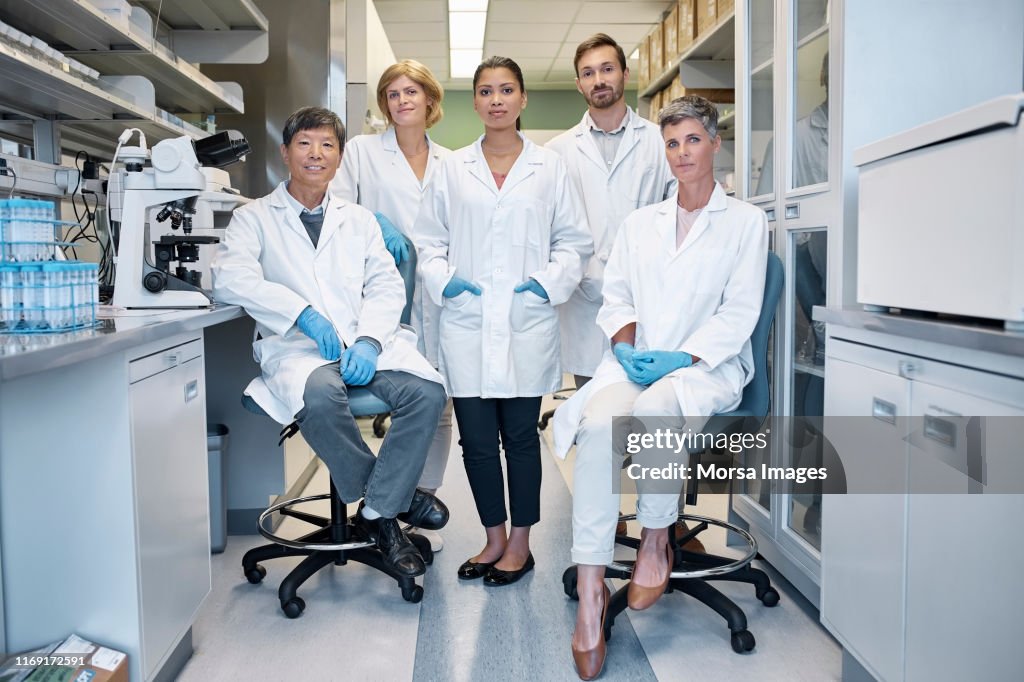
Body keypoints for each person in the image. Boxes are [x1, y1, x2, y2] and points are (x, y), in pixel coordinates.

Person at [552, 96, 769, 679]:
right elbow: (617, 296)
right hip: (639, 363)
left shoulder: (747, 222)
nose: (681, 154)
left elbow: (740, 312)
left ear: (714, 143)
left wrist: (681, 356)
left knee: (654, 410)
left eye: (692, 140)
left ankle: (654, 538)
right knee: (599, 426)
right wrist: (626, 347)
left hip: (705, 367)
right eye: (671, 143)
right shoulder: (639, 224)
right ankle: (593, 591)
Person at [211, 106, 450, 578]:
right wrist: (301, 314)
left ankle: (376, 511)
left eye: (327, 145)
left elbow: (385, 285)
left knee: (428, 394)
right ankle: (390, 506)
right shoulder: (253, 218)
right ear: (285, 153)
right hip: (298, 349)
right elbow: (228, 278)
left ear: (340, 157)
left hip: (366, 342)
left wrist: (368, 341)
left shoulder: (358, 221)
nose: (315, 154)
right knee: (320, 394)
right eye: (304, 144)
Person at [412, 57, 592, 586]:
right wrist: (447, 282)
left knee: (519, 437)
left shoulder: (549, 167)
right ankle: (492, 538)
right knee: (474, 439)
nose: (496, 100)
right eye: (486, 91)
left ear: (522, 99)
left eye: (506, 89)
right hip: (467, 320)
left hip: (524, 320)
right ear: (474, 101)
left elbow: (574, 241)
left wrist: (544, 285)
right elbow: (428, 241)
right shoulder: (451, 168)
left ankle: (521, 542)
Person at [331, 60, 453, 551]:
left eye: (411, 92)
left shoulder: (453, 161)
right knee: (400, 398)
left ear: (429, 99)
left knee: (439, 399)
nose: (402, 101)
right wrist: (372, 222)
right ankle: (386, 505)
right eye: (392, 94)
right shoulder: (361, 152)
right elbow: (335, 208)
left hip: (437, 295)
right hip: (377, 295)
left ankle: (420, 505)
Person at [546, 33, 676, 387]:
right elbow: (551, 230)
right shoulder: (557, 152)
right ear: (578, 84)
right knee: (594, 409)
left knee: (648, 411)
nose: (598, 79)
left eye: (607, 69)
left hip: (649, 297)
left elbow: (679, 216)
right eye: (588, 73)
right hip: (585, 299)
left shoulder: (659, 142)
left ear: (624, 74)